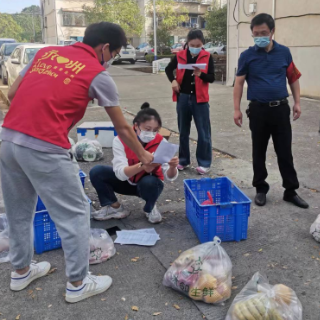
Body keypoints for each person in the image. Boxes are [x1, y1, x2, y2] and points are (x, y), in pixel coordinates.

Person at [0, 22, 153, 303]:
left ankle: (20, 271)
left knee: (18, 211)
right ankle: (78, 283)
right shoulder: (98, 74)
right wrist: (144, 156)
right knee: (75, 214)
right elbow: (122, 128)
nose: (113, 60)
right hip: (45, 146)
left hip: (8, 139)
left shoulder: (46, 55)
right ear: (105, 48)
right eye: (115, 53)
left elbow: (11, 95)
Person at [233, 13, 308, 209]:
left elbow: (293, 78)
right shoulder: (247, 56)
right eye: (255, 33)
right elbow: (239, 83)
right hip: (258, 110)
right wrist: (236, 109)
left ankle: (290, 190)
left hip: (280, 109)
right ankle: (260, 188)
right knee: (259, 151)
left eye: (264, 32)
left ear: (272, 31)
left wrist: (297, 102)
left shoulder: (284, 53)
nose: (259, 36)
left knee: (285, 151)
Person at [90, 103, 179, 224]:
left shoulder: (161, 141)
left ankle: (150, 207)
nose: (151, 134)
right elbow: (120, 174)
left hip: (147, 185)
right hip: (126, 181)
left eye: (155, 130)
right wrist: (142, 166)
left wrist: (173, 167)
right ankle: (114, 207)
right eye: (147, 129)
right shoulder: (120, 140)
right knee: (97, 172)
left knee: (151, 182)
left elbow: (169, 176)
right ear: (136, 125)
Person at [165, 29, 215, 175]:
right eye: (192, 44)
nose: (195, 47)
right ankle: (183, 160)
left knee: (203, 132)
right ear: (187, 43)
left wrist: (202, 75)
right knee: (183, 131)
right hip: (183, 97)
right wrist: (173, 80)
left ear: (202, 44)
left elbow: (212, 77)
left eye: (198, 45)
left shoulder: (207, 56)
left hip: (200, 99)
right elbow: (169, 69)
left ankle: (204, 163)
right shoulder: (180, 55)